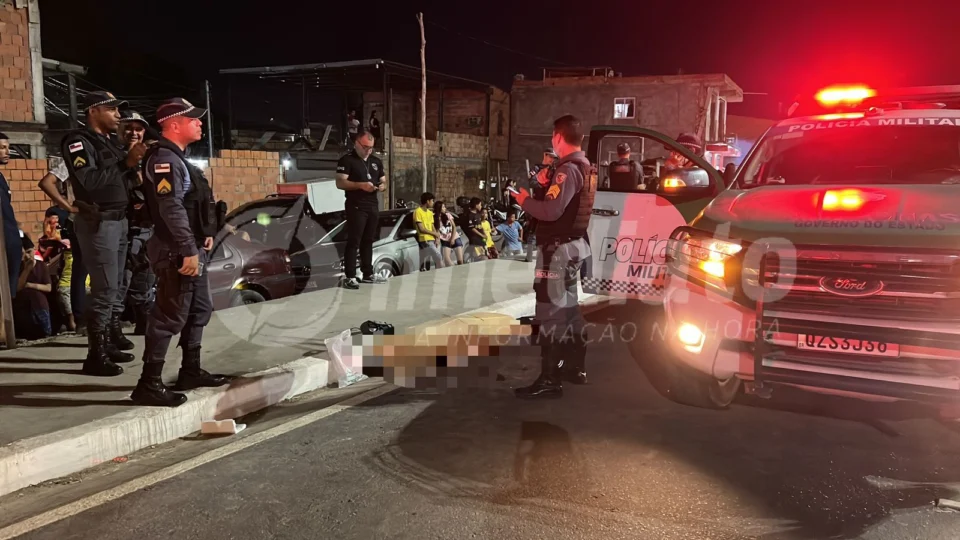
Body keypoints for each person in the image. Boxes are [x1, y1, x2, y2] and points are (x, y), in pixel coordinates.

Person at [133, 97, 229, 407]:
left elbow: (191, 206)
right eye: (193, 119)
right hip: (176, 250)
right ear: (174, 124)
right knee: (168, 317)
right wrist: (188, 248)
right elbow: (169, 207)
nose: (200, 123)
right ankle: (148, 384)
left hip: (190, 247)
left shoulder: (179, 159)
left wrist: (204, 236)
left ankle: (190, 370)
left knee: (199, 309)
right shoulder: (165, 160)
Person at [513, 115, 596, 399]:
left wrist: (523, 199)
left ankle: (551, 378)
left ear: (558, 137)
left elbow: (550, 212)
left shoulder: (567, 170)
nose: (552, 142)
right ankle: (574, 368)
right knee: (570, 310)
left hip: (557, 253)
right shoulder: (584, 167)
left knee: (550, 314)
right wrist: (543, 185)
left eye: (552, 137)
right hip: (574, 247)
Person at [61, 91, 142, 376]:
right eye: (113, 110)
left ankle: (106, 344)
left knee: (115, 284)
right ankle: (95, 355)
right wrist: (125, 164)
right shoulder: (78, 142)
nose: (119, 116)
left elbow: (125, 179)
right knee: (104, 288)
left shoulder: (108, 143)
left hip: (118, 220)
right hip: (98, 222)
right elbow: (90, 180)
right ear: (93, 111)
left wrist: (134, 167)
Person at [117, 111, 157, 335]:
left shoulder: (150, 156)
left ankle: (143, 322)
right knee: (121, 280)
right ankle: (110, 334)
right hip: (122, 227)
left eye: (138, 128)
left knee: (145, 276)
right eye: (128, 127)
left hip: (147, 227)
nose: (133, 132)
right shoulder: (112, 155)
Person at [335, 130, 388, 289]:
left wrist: (382, 186)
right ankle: (350, 276)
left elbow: (384, 180)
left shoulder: (376, 161)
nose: (368, 150)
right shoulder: (347, 160)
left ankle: (368, 273)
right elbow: (340, 183)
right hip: (356, 205)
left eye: (371, 147)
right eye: (365, 147)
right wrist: (361, 185)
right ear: (356, 144)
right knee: (354, 240)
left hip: (372, 205)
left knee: (368, 240)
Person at [39, 158, 87, 333]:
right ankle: (82, 320)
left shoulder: (112, 152)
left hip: (110, 221)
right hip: (83, 222)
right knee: (80, 269)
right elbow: (46, 182)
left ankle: (106, 320)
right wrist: (69, 207)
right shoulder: (74, 158)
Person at [14, 234, 52, 340]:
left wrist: (31, 285)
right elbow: (18, 287)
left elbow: (48, 287)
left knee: (44, 333)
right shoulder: (19, 267)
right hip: (23, 307)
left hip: (40, 305)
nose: (27, 256)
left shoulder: (41, 265)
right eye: (24, 253)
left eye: (29, 252)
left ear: (34, 250)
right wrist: (27, 270)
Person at [0, 133, 21, 303]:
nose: (7, 151)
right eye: (2, 148)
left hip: (11, 241)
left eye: (7, 147)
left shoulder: (1, 177)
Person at [414, 192, 442, 270]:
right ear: (427, 201)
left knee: (430, 262)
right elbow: (421, 229)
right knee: (438, 257)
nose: (433, 203)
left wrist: (436, 237)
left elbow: (432, 226)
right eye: (432, 201)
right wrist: (435, 234)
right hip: (424, 239)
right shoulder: (418, 212)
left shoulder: (430, 213)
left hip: (432, 239)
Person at [433, 201, 463, 266]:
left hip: (455, 237)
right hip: (445, 240)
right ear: (439, 208)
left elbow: (454, 227)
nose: (445, 208)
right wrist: (437, 239)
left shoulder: (448, 215)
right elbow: (436, 230)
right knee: (447, 260)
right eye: (443, 207)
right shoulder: (435, 218)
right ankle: (455, 271)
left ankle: (461, 272)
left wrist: (452, 239)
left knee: (460, 260)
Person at [459, 197, 487, 262]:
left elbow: (480, 226)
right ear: (476, 205)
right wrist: (481, 235)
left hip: (481, 239)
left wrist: (484, 234)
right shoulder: (470, 215)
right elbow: (472, 228)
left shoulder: (478, 214)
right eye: (480, 204)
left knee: (483, 255)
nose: (481, 206)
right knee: (482, 257)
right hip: (475, 239)